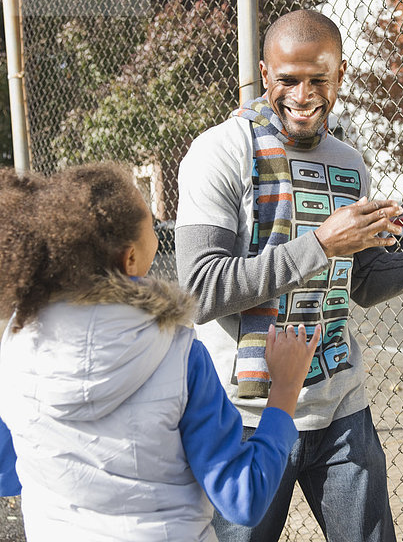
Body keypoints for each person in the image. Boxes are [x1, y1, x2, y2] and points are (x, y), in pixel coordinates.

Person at [175, 9, 403, 542]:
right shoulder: (218, 152)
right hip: (243, 415)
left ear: (340, 75)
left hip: (340, 404)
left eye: (320, 78)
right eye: (289, 79)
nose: (304, 94)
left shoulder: (351, 164)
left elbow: (361, 280)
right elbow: (201, 291)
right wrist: (319, 244)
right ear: (265, 74)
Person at [0, 162, 320, 542]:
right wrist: (285, 388)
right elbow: (243, 497)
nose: (156, 229)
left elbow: (8, 472)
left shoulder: (16, 344)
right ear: (129, 259)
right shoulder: (179, 355)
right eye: (151, 224)